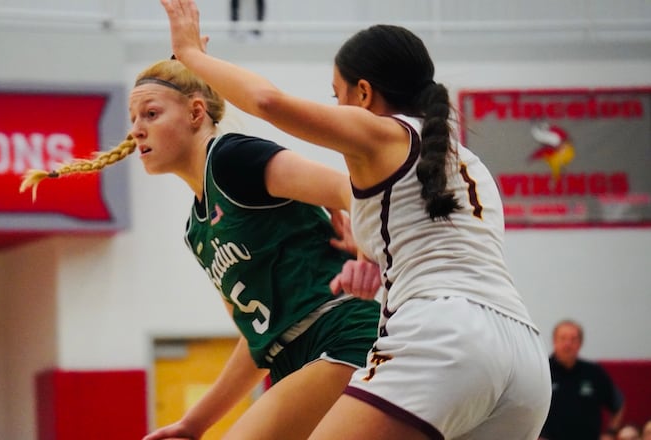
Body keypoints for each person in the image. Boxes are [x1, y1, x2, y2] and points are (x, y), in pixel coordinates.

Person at [160, 0, 552, 438]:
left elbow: (267, 102)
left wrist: (193, 55)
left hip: (446, 337)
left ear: (363, 94)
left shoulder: (384, 134)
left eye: (337, 95)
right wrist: (375, 266)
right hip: (525, 359)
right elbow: (435, 244)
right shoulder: (465, 163)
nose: (337, 106)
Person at [20, 58, 383, 440]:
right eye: (134, 118)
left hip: (343, 332)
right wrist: (194, 424)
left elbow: (353, 189)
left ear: (196, 112)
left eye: (151, 114)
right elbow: (255, 341)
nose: (136, 131)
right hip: (291, 358)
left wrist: (366, 245)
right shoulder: (197, 231)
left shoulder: (231, 158)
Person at [540, 320, 625, 440]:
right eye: (563, 338)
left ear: (580, 343)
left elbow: (618, 403)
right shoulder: (541, 372)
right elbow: (524, 409)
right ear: (554, 341)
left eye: (573, 339)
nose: (568, 344)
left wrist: (611, 433)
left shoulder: (594, 372)